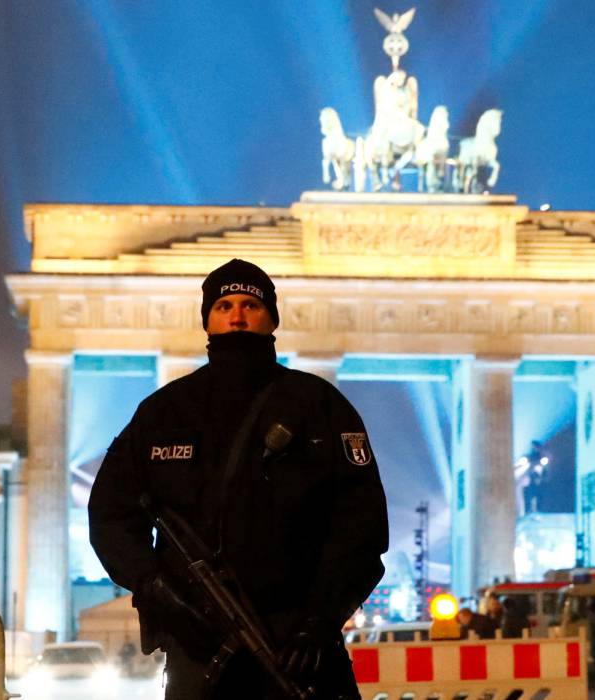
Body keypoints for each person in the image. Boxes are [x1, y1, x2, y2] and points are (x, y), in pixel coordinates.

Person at [88, 258, 390, 699]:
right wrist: (156, 588)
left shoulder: (318, 405)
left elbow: (361, 525)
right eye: (224, 304)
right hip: (199, 644)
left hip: (299, 647)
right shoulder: (163, 412)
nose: (237, 315)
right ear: (207, 319)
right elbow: (111, 515)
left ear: (272, 319)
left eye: (251, 304)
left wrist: (319, 622)